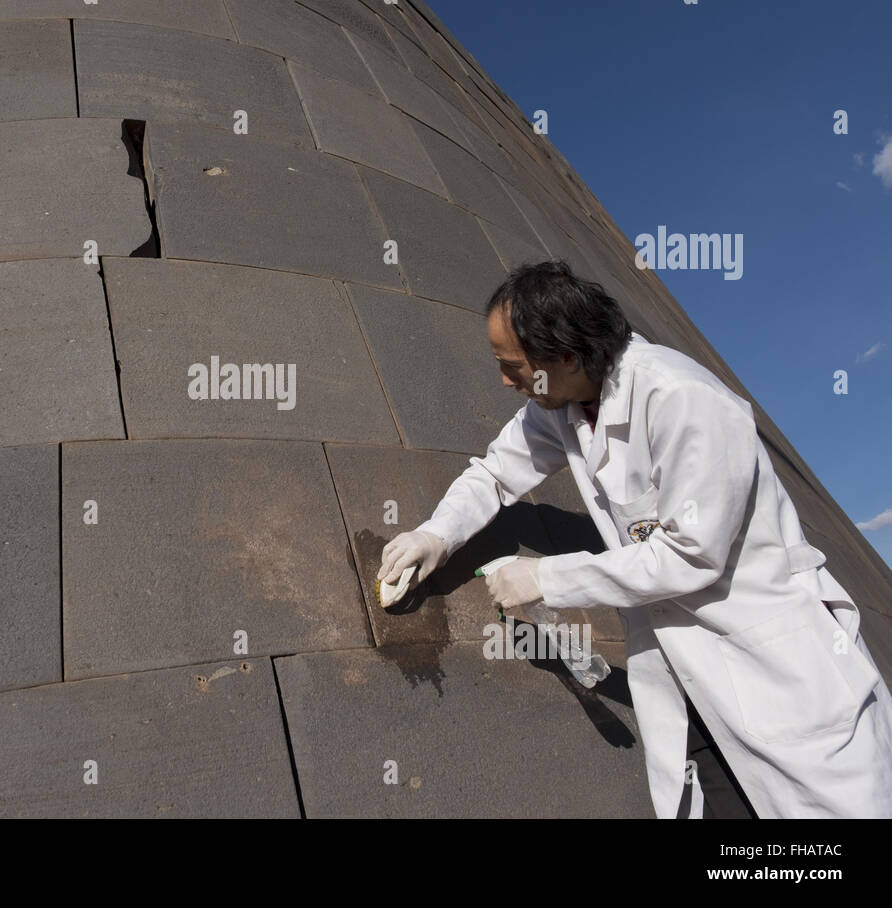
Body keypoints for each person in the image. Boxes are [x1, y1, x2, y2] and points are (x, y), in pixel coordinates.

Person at [376, 260, 892, 818]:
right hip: (688, 681)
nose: (505, 380)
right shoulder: (565, 404)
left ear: (566, 356)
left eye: (513, 365)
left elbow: (691, 556)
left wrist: (543, 577)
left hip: (776, 669)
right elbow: (496, 473)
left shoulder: (684, 399)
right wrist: (435, 535)